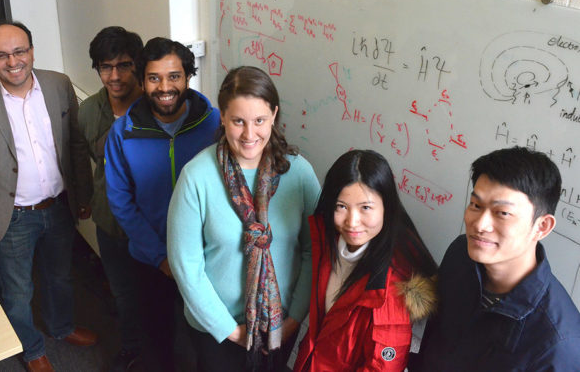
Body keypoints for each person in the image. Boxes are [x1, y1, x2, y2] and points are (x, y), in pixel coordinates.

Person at [0, 21, 95, 372]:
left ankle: (61, 327)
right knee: (17, 292)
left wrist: (83, 193)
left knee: (60, 276)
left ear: (31, 51)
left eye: (19, 51)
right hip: (12, 213)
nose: (12, 61)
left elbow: (75, 145)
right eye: (1, 55)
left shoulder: (58, 84)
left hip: (59, 205)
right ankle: (31, 348)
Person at [167, 65, 321, 372]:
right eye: (238, 121)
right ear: (222, 116)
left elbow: (313, 249)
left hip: (280, 324)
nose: (250, 135)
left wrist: (295, 318)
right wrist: (230, 330)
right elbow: (186, 266)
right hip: (217, 331)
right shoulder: (196, 176)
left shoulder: (299, 171)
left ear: (274, 116)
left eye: (260, 121)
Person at [104, 37, 220, 370]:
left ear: (187, 78)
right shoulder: (122, 132)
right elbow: (121, 202)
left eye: (174, 76)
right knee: (157, 338)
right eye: (154, 78)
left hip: (204, 256)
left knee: (206, 340)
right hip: (150, 259)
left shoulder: (213, 124)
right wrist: (160, 257)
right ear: (141, 81)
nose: (165, 86)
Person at [412, 147, 580, 371]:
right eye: (476, 205)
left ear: (542, 226)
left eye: (502, 213)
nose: (479, 225)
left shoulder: (558, 343)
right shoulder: (461, 253)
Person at [293, 150, 438, 372]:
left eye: (366, 208)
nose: (352, 222)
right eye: (341, 206)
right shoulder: (326, 239)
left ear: (386, 209)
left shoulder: (391, 293)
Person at [78, 26, 144, 371]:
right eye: (106, 67)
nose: (115, 76)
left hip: (152, 222)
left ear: (138, 65)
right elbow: (94, 160)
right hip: (111, 222)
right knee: (123, 293)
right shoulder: (89, 111)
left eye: (124, 65)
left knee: (160, 294)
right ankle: (132, 347)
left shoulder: (156, 105)